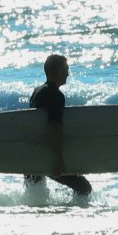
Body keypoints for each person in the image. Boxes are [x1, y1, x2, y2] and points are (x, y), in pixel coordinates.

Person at [28, 52, 92, 197]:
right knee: (84, 187)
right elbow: (53, 127)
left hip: (32, 152)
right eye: (65, 69)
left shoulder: (37, 91)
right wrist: (58, 160)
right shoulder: (56, 95)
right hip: (47, 155)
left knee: (35, 196)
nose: (68, 73)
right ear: (56, 71)